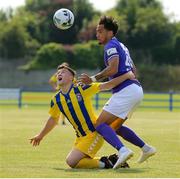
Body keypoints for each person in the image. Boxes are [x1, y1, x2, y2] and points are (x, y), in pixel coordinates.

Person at [80, 16, 156, 169]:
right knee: (114, 127)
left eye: (100, 31)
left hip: (126, 91)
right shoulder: (121, 45)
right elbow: (134, 71)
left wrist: (93, 79)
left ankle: (123, 150)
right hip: (136, 90)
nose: (97, 34)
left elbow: (113, 69)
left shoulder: (110, 46)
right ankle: (146, 148)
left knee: (100, 124)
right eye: (97, 31)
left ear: (110, 32)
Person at [30, 64, 134, 169]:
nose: (59, 74)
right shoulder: (56, 99)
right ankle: (110, 161)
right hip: (80, 137)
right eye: (58, 73)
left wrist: (126, 76)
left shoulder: (81, 89)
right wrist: (40, 135)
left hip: (93, 133)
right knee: (74, 162)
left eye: (63, 72)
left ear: (72, 78)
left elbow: (107, 85)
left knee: (71, 161)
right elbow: (53, 119)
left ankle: (109, 163)